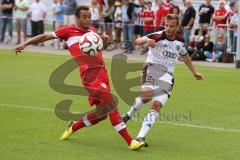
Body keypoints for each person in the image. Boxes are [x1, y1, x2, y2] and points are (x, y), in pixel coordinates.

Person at [12, 5, 144, 151]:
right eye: (84, 17)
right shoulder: (68, 31)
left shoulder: (92, 32)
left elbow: (97, 50)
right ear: (77, 18)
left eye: (89, 17)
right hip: (90, 77)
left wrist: (104, 42)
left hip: (103, 74)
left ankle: (73, 126)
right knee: (111, 104)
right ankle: (130, 141)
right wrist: (25, 43)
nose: (88, 20)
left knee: (101, 115)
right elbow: (45, 36)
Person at [122, 14, 204, 145]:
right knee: (147, 96)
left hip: (167, 76)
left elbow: (185, 56)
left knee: (156, 105)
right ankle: (128, 115)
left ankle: (140, 137)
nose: (168, 28)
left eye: (171, 26)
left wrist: (194, 72)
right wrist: (147, 41)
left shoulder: (180, 41)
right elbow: (138, 41)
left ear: (177, 27)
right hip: (151, 70)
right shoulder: (157, 35)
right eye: (166, 25)